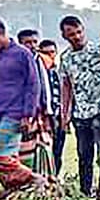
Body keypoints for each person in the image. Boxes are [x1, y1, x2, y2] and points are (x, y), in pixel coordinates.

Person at [0, 16, 44, 191]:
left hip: (15, 113)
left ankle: (34, 178)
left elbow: (33, 84)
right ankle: (17, 191)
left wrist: (28, 114)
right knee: (8, 156)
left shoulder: (23, 53)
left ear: (2, 33)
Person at [60, 16, 100, 200]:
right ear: (64, 36)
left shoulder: (98, 50)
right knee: (84, 157)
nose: (76, 37)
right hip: (80, 114)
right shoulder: (65, 58)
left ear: (83, 30)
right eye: (71, 34)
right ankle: (84, 196)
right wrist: (65, 114)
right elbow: (66, 86)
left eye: (78, 32)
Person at [16, 28, 55, 175]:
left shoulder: (42, 60)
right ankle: (27, 181)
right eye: (27, 43)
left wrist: (50, 109)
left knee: (45, 147)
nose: (32, 46)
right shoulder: (17, 63)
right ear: (20, 44)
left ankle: (46, 180)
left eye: (34, 42)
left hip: (42, 114)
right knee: (25, 149)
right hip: (25, 113)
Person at [38, 39, 65, 174]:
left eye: (52, 52)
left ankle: (56, 178)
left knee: (58, 150)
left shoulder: (59, 71)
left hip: (60, 116)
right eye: (45, 53)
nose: (49, 55)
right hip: (46, 117)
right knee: (45, 151)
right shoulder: (38, 72)